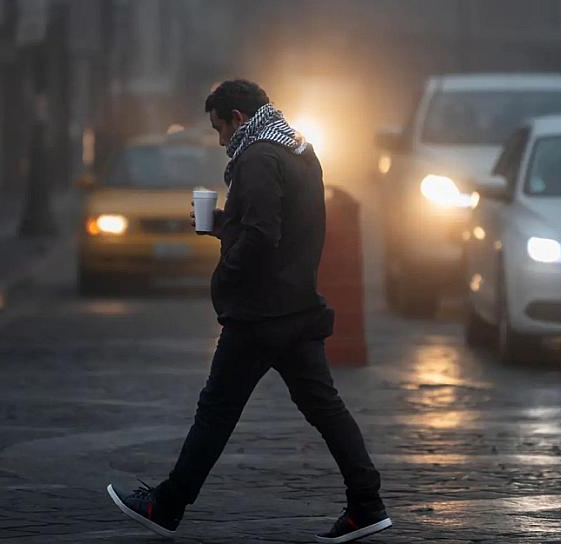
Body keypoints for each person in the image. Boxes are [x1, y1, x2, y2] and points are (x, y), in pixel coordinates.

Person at [106, 79, 391, 543]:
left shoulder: (257, 156)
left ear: (238, 118)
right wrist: (225, 224)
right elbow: (281, 225)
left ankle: (167, 504)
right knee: (325, 408)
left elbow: (262, 235)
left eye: (220, 129)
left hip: (260, 312)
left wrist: (226, 275)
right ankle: (367, 503)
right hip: (295, 305)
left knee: (216, 411)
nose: (220, 140)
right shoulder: (296, 149)